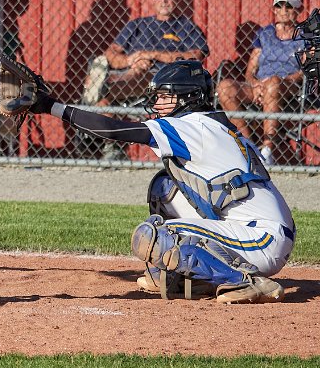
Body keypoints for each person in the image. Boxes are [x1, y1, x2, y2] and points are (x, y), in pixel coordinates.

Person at [27, 59, 292, 303]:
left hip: (260, 239)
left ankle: (246, 281)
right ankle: (193, 277)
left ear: (189, 98)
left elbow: (114, 130)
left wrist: (51, 106)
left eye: (165, 97)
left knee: (154, 236)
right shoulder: (213, 126)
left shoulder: (192, 126)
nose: (157, 103)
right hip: (255, 232)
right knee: (163, 188)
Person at [82, 0, 209, 116]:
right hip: (131, 73)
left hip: (165, 80)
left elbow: (196, 56)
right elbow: (111, 53)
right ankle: (101, 108)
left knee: (145, 77)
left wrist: (152, 55)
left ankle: (104, 87)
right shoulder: (137, 24)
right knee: (103, 105)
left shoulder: (187, 27)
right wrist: (132, 60)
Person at [217, 0, 305, 165]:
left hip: (289, 87)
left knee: (273, 83)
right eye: (279, 5)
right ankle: (249, 148)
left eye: (289, 6)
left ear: (298, 9)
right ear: (274, 9)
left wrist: (278, 82)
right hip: (261, 85)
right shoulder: (264, 34)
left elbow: (305, 71)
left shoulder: (305, 36)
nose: (283, 10)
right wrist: (255, 84)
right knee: (225, 88)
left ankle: (267, 150)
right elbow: (250, 70)